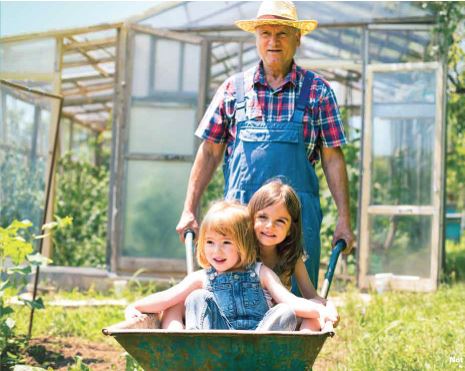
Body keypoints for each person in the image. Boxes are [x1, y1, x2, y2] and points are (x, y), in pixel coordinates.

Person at [176, 0, 355, 292]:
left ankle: (293, 336)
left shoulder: (317, 92)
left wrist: (344, 220)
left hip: (294, 224)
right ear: (257, 38)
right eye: (265, 33)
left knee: (297, 298)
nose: (273, 41)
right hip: (240, 220)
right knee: (231, 297)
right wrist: (189, 209)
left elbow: (333, 158)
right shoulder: (233, 89)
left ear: (298, 38)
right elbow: (209, 151)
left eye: (282, 33)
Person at [126, 200, 336, 331]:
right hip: (215, 341)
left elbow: (290, 300)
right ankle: (198, 347)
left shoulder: (261, 272)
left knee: (285, 310)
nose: (217, 251)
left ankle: (261, 351)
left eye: (226, 243)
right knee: (196, 297)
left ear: (243, 244)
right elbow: (167, 297)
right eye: (210, 242)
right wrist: (135, 306)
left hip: (259, 337)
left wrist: (320, 312)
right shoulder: (202, 277)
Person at [248, 179, 338, 331]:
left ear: (290, 228)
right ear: (251, 218)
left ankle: (300, 350)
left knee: (313, 318)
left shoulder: (290, 257)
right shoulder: (244, 254)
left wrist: (328, 305)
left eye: (280, 221)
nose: (270, 226)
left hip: (281, 320)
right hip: (243, 319)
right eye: (263, 217)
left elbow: (311, 296)